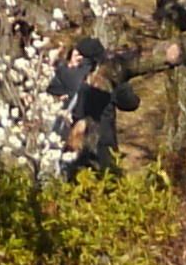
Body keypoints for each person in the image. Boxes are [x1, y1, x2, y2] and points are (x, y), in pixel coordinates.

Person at [46, 34, 146, 177]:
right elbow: (131, 104)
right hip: (92, 146)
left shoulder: (73, 76)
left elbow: (131, 103)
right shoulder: (100, 79)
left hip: (83, 146)